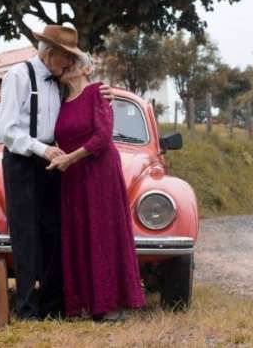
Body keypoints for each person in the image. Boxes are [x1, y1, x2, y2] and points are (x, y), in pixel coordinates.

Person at [0, 25, 113, 320]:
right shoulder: (18, 76)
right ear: (51, 53)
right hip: (22, 161)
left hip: (54, 161)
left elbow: (82, 96)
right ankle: (27, 309)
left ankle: (52, 304)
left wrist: (103, 90)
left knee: (53, 230)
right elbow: (7, 129)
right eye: (66, 58)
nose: (69, 64)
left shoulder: (60, 81)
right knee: (25, 234)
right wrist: (40, 149)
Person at [46, 53, 146, 322]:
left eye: (72, 63)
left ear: (85, 69)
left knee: (103, 233)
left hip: (99, 171)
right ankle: (83, 302)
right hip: (72, 176)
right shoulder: (61, 101)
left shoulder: (97, 93)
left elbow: (103, 136)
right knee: (79, 233)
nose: (66, 67)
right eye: (64, 63)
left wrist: (71, 157)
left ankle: (111, 302)